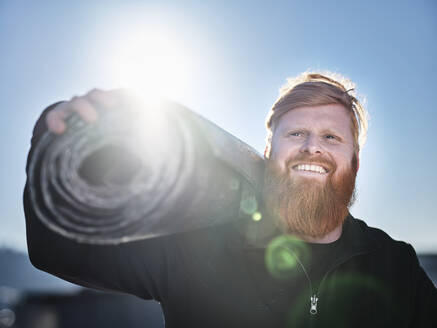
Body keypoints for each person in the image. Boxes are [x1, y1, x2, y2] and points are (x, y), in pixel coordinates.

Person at [23, 72, 437, 327]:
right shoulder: (200, 244)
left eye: (331, 137)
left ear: (355, 162)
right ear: (270, 153)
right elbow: (57, 250)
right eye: (296, 134)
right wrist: (58, 131)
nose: (313, 147)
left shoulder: (395, 265)